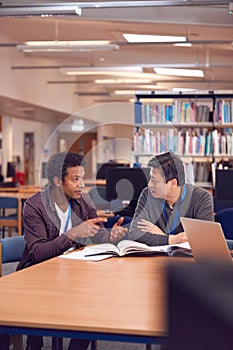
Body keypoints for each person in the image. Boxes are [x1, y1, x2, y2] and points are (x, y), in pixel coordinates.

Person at [17, 151, 127, 350]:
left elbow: (98, 235)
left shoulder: (83, 201)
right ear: (58, 181)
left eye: (82, 178)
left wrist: (111, 236)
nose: (82, 185)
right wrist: (73, 233)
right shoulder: (35, 206)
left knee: (94, 297)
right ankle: (34, 342)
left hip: (72, 273)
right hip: (39, 274)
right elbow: (38, 253)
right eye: (76, 179)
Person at [128, 152, 214, 246]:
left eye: (154, 180)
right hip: (156, 258)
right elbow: (134, 233)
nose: (149, 184)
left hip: (187, 259)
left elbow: (205, 241)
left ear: (173, 183)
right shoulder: (147, 194)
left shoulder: (202, 198)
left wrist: (161, 236)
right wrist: (172, 240)